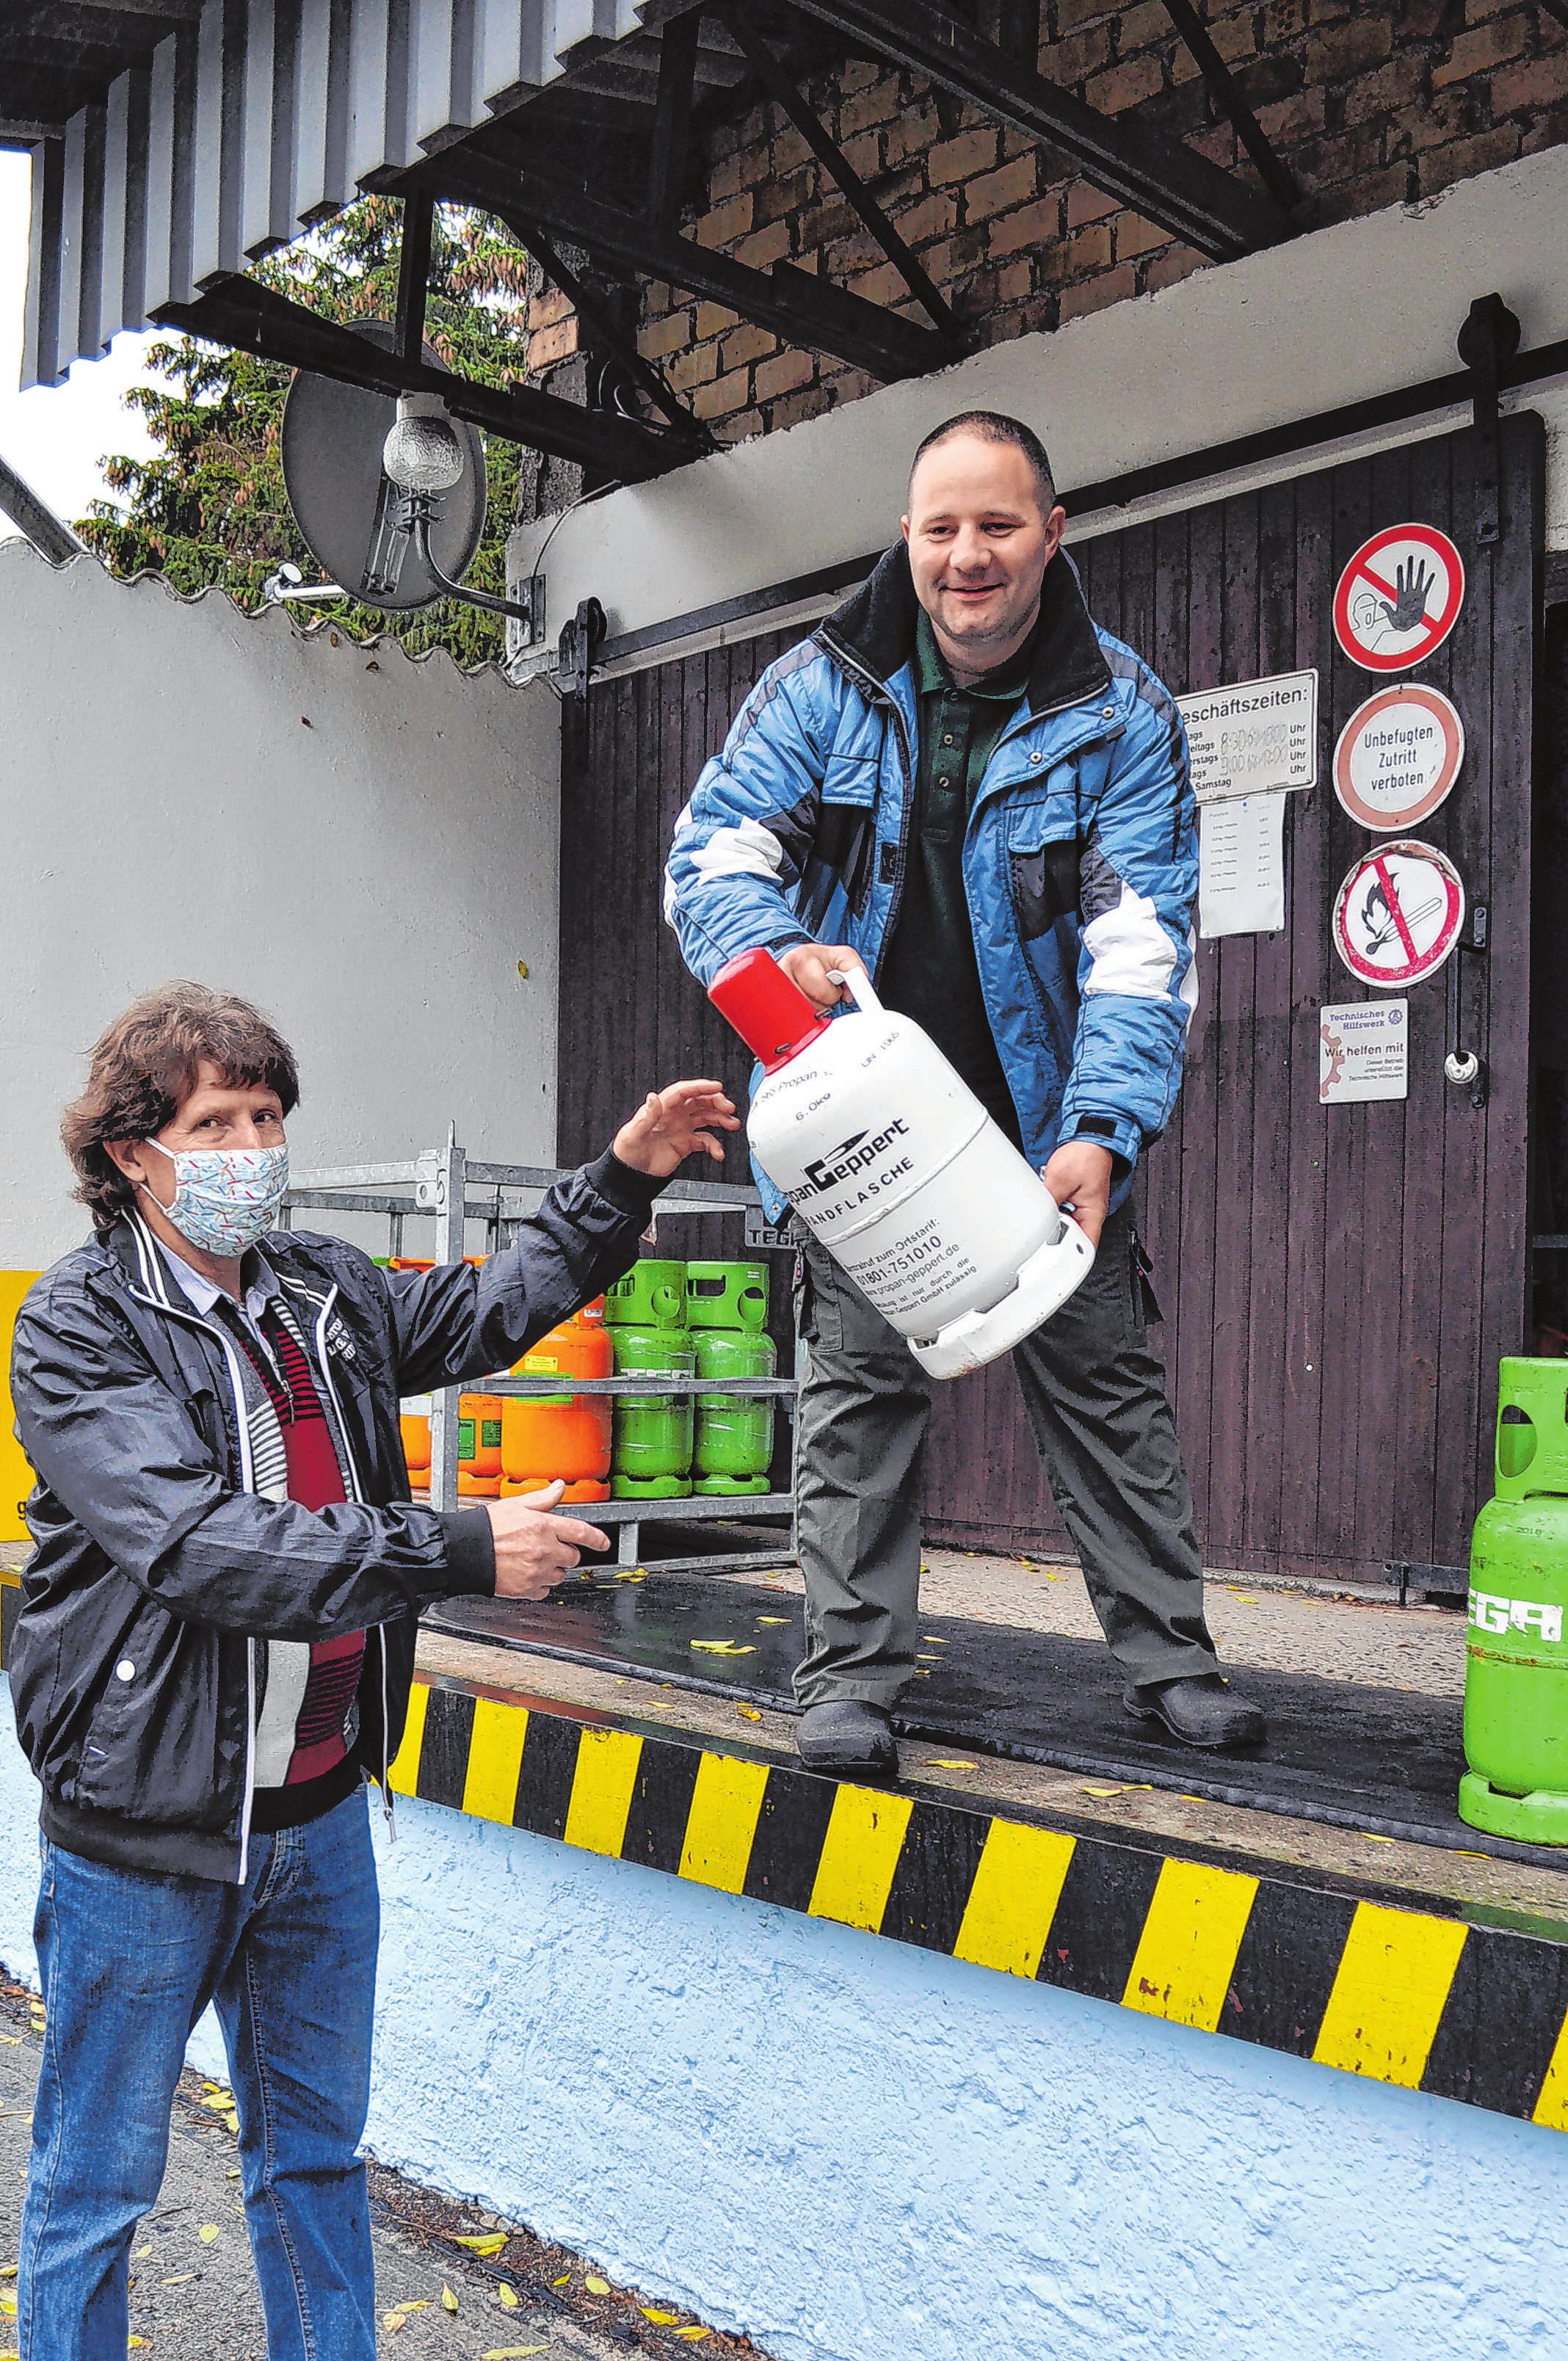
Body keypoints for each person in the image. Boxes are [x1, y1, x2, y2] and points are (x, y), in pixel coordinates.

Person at [7, 982, 737, 2361]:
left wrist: (622, 1179)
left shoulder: (324, 1291)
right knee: (95, 2191)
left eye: (267, 1115)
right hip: (150, 1835)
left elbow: (488, 1310)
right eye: (213, 1121)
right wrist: (455, 1548)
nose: (250, 1149)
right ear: (128, 1153)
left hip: (320, 1819)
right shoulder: (78, 1325)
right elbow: (201, 1546)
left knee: (316, 2167)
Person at [665, 409, 1265, 1776]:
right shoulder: (820, 686)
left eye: (999, 526)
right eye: (942, 528)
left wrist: (1103, 1131)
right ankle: (853, 1682)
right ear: (907, 538)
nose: (969, 556)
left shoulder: (1123, 713)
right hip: (865, 1115)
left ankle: (1174, 1664)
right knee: (860, 1394)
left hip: (1045, 1115)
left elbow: (1140, 942)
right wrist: (777, 973)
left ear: (1054, 534)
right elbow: (711, 859)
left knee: (1105, 1384)